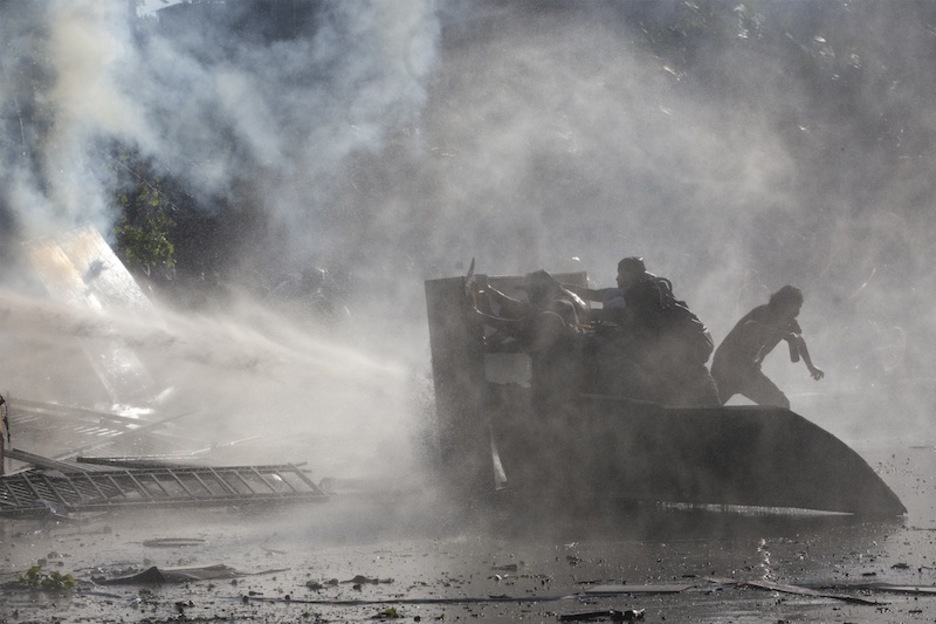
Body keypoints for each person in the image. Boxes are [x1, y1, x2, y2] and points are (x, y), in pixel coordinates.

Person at [711, 285, 824, 409]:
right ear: (784, 304)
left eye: (799, 308)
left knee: (780, 405)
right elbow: (750, 327)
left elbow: (799, 340)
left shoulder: (787, 321)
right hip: (726, 368)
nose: (797, 313)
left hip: (748, 372)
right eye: (795, 307)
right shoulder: (763, 313)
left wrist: (810, 366)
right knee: (707, 411)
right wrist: (784, 334)